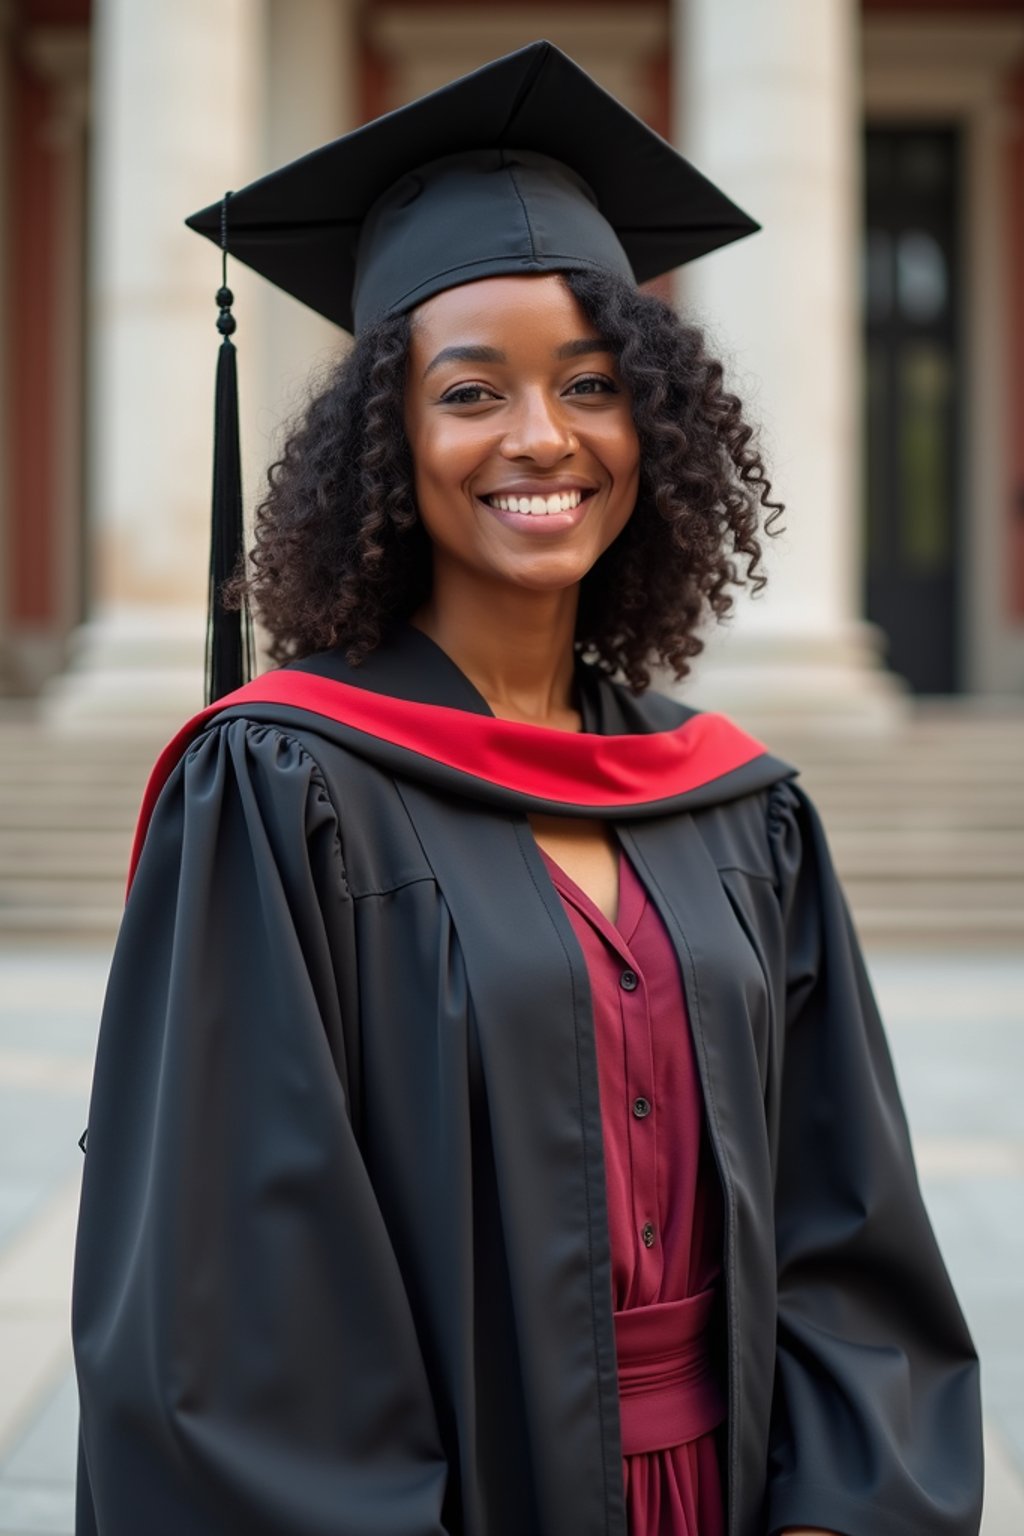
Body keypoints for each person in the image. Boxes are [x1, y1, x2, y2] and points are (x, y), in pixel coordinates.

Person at [71, 40, 982, 1536]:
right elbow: (230, 1309)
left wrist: (836, 1508)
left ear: (657, 429)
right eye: (472, 390)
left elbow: (851, 1236)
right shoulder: (280, 794)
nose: (543, 438)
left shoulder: (735, 808)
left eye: (593, 385)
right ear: (390, 441)